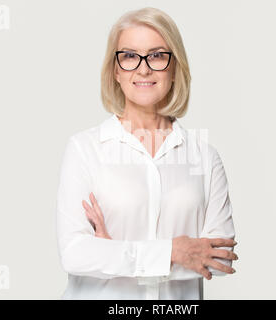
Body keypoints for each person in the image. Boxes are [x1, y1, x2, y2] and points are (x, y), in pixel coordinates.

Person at [56, 7, 238, 300]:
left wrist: (114, 254)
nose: (143, 68)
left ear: (175, 67)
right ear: (115, 70)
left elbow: (221, 258)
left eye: (156, 55)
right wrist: (174, 253)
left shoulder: (205, 158)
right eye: (129, 56)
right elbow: (75, 254)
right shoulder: (84, 149)